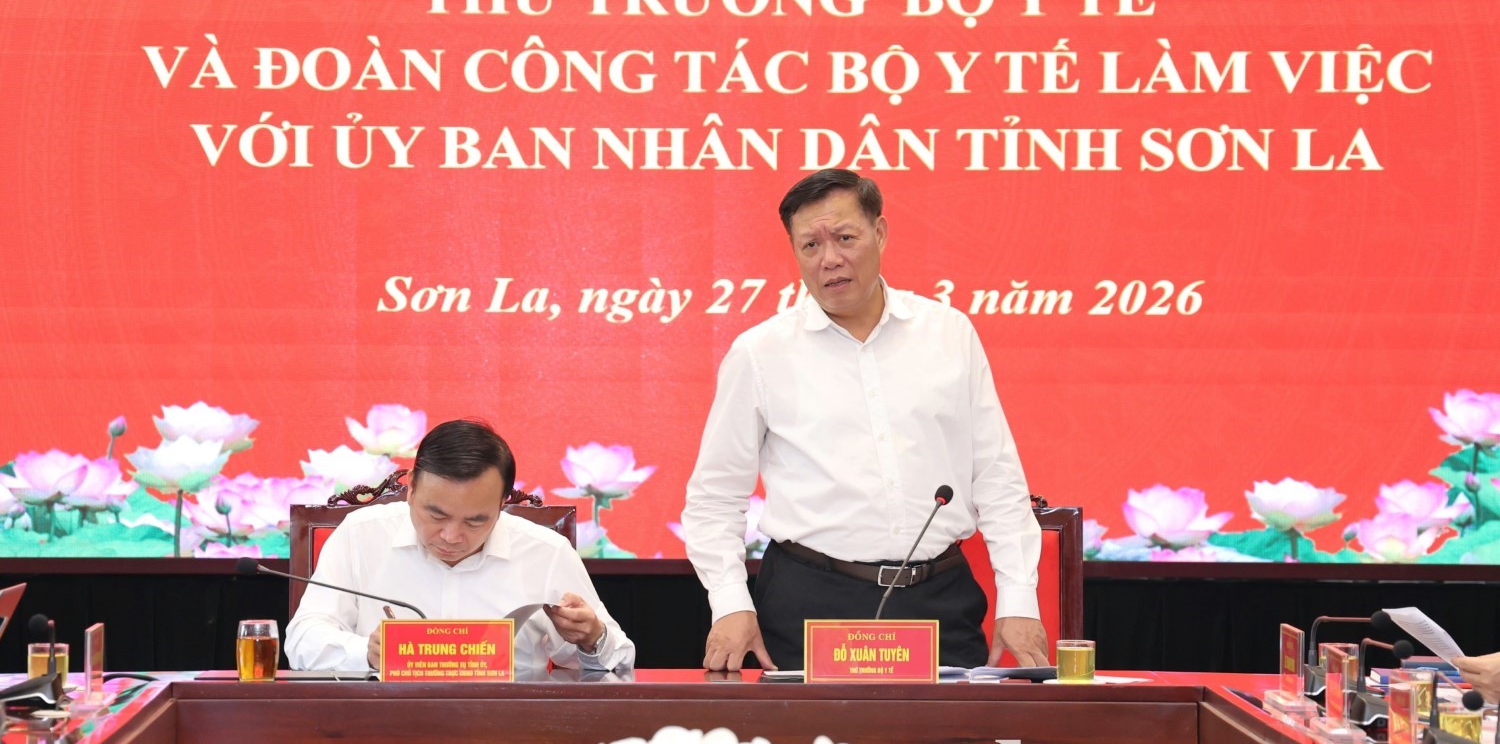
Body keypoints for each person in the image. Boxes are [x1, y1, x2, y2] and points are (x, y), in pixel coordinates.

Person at [681, 169, 1047, 671]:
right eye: (810, 245)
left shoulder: (948, 334)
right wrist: (729, 601)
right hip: (810, 602)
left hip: (938, 601)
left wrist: (1019, 597)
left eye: (845, 238)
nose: (829, 259)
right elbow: (715, 496)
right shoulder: (760, 353)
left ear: (880, 232)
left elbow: (996, 475)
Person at [285, 419, 634, 674]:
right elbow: (302, 642)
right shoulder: (361, 535)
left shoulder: (545, 551)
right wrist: (368, 652)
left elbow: (618, 663)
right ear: (411, 489)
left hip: (509, 727)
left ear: (502, 503)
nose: (451, 536)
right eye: (436, 515)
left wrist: (591, 638)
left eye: (475, 521)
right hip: (385, 724)